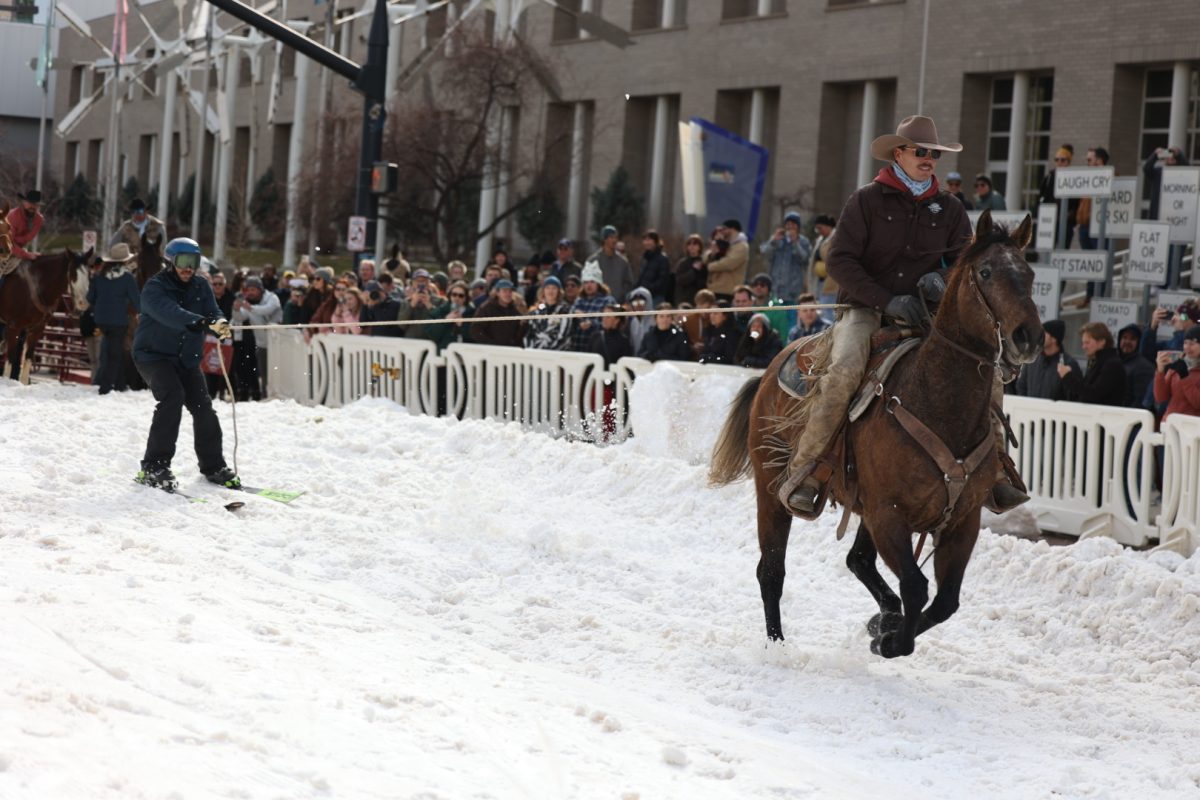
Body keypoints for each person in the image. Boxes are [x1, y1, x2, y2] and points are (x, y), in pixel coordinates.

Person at [777, 115, 1024, 517]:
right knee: (842, 371)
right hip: (866, 309)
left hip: (928, 315)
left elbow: (965, 265)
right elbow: (838, 261)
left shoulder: (950, 208)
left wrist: (941, 279)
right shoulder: (866, 200)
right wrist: (887, 300)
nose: (929, 159)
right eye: (921, 152)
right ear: (899, 154)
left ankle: (997, 469)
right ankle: (807, 471)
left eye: (934, 154)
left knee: (987, 371)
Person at [131, 238, 238, 492]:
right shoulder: (154, 287)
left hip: (186, 359)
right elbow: (170, 313)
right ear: (170, 262)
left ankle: (213, 466)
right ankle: (154, 465)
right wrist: (202, 322)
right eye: (182, 262)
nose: (188, 268)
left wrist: (220, 322)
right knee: (172, 396)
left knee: (203, 407)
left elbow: (213, 311)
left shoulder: (201, 285)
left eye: (194, 262)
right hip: (153, 356)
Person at [85, 243, 141, 394]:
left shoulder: (98, 276)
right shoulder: (127, 277)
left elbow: (90, 297)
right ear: (125, 261)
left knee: (108, 348)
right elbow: (137, 301)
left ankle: (120, 383)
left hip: (101, 320)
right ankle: (106, 386)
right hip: (119, 321)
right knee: (115, 354)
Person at [232, 275, 282, 398]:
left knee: (278, 373)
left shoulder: (272, 297)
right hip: (262, 344)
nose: (250, 293)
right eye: (248, 290)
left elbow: (268, 310)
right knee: (264, 374)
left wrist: (250, 307)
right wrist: (236, 309)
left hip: (279, 343)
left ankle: (279, 397)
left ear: (260, 289)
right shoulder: (248, 303)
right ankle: (265, 397)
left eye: (253, 290)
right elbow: (239, 318)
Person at [759, 211, 812, 319]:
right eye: (788, 224)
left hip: (793, 290)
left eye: (793, 224)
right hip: (776, 288)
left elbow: (805, 259)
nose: (790, 227)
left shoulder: (803, 241)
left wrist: (795, 243)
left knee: (791, 318)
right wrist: (773, 240)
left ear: (797, 226)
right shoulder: (778, 239)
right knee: (776, 316)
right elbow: (764, 253)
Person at [1058, 322, 1126, 406]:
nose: (1084, 347)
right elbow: (1084, 393)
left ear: (1101, 342)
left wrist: (1068, 377)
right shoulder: (1097, 362)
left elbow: (1095, 393)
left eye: (1087, 342)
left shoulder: (1112, 364)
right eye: (1083, 343)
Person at [1014, 319, 1080, 400]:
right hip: (1030, 411)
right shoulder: (1032, 360)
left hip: (1054, 412)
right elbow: (1021, 386)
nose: (1039, 336)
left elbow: (1073, 396)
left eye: (1044, 333)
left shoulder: (1069, 364)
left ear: (1054, 339)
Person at [1153, 326, 1200, 420]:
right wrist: (1160, 371)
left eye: (1192, 343)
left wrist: (1185, 377)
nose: (1187, 347)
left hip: (1191, 426)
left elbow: (1197, 403)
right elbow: (1160, 397)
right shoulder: (1179, 363)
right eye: (1185, 343)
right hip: (1170, 423)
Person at [1039, 145, 1079, 247]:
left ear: (1068, 162)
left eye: (1062, 160)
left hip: (1066, 222)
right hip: (1050, 220)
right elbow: (1042, 197)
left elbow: (1076, 201)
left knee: (1063, 248)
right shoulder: (1049, 177)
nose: (1059, 163)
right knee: (1048, 249)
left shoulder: (1073, 178)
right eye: (1057, 160)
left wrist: (1071, 215)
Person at [570, 262, 616, 351]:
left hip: (597, 349)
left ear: (598, 283)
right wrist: (575, 316)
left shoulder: (608, 301)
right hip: (576, 348)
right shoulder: (579, 300)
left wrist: (591, 324)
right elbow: (569, 320)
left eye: (592, 282)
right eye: (586, 282)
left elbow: (611, 325)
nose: (588, 285)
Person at [584, 225, 634, 302]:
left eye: (616, 237)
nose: (614, 240)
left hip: (617, 304)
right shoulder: (593, 260)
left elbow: (628, 283)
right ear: (604, 239)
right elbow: (586, 283)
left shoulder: (623, 262)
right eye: (611, 237)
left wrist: (623, 297)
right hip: (596, 304)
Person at [705, 219, 749, 302]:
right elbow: (705, 257)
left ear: (732, 229)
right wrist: (716, 245)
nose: (722, 231)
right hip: (713, 289)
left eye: (724, 229)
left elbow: (729, 263)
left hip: (728, 290)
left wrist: (709, 266)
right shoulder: (723, 243)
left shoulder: (742, 246)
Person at [523, 276, 572, 350]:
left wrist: (547, 350)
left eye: (554, 288)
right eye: (548, 288)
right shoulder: (537, 309)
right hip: (535, 352)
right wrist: (532, 348)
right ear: (543, 291)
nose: (550, 291)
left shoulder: (565, 310)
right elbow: (529, 333)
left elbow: (562, 336)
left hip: (557, 352)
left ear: (559, 291)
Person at [470, 279, 523, 347]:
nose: (508, 294)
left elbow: (518, 331)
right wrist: (491, 344)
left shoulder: (515, 309)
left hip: (509, 350)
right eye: (504, 291)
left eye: (510, 291)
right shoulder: (487, 308)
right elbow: (475, 330)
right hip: (491, 350)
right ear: (497, 293)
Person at [424, 280, 474, 351]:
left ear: (466, 298)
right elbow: (430, 333)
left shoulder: (472, 312)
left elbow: (475, 336)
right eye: (454, 294)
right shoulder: (441, 310)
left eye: (461, 296)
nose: (457, 298)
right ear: (450, 295)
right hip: (443, 352)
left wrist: (462, 325)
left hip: (464, 353)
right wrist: (445, 320)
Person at [1076, 147, 1110, 250]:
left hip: (1098, 226)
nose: (1088, 164)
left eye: (1090, 160)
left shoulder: (1108, 177)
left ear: (1099, 161)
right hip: (1084, 226)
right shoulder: (1087, 178)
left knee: (1100, 258)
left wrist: (1101, 171)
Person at [1143, 146, 1187, 220]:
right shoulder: (1158, 173)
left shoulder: (1181, 174)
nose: (1170, 158)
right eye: (1168, 156)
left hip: (1175, 214)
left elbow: (1188, 169)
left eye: (1173, 158)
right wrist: (1155, 155)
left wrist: (1179, 155)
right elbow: (1147, 169)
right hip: (1158, 214)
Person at [1116, 324, 1155, 409]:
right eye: (1124, 338)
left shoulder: (1144, 367)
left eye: (1132, 339)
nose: (1127, 342)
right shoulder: (1114, 361)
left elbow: (1140, 401)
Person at [809, 214, 839, 322]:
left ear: (827, 226)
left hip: (832, 283)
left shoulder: (837, 238)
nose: (819, 231)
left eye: (820, 228)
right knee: (822, 311)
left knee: (829, 313)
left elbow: (834, 258)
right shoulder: (820, 239)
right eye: (817, 229)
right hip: (820, 282)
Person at [635, 229, 673, 305]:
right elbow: (641, 278)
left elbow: (662, 280)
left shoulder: (662, 259)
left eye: (649, 240)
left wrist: (648, 289)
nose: (646, 242)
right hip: (643, 297)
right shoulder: (645, 258)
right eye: (645, 240)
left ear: (656, 241)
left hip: (656, 297)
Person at [748, 273, 789, 341]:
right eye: (755, 284)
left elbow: (783, 336)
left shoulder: (778, 309)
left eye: (762, 285)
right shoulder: (748, 307)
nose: (758, 287)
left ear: (769, 288)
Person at [5, 189, 43, 261]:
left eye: (35, 204)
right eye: (30, 203)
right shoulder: (13, 216)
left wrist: (26, 253)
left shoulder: (39, 220)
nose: (32, 206)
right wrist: (26, 254)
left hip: (16, 249)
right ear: (24, 202)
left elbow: (26, 239)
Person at [673, 233, 708, 307]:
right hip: (684, 298)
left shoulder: (704, 262)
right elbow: (680, 280)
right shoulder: (683, 263)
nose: (692, 246)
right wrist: (694, 270)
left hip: (700, 300)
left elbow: (704, 281)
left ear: (700, 246)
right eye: (689, 244)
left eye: (695, 244)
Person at [625, 286, 654, 355]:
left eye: (641, 302)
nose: (638, 305)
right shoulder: (633, 322)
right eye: (634, 303)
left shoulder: (655, 320)